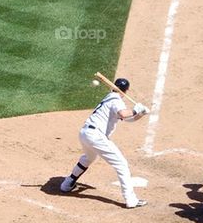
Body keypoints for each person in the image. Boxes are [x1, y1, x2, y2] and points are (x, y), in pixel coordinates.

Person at [60, 78, 150, 208]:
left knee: (88, 158)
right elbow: (124, 114)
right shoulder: (116, 100)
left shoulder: (109, 98)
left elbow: (127, 118)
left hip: (85, 133)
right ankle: (131, 200)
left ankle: (67, 183)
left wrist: (140, 114)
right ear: (126, 91)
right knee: (122, 164)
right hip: (96, 136)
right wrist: (135, 110)